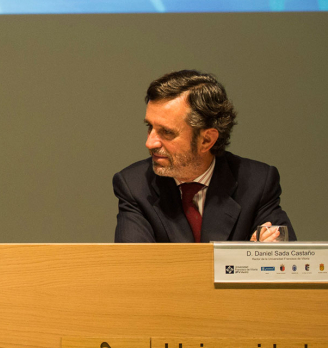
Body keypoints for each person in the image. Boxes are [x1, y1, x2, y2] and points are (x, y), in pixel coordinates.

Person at [113, 70, 295, 243]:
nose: (150, 143)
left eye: (166, 132)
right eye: (150, 127)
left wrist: (260, 257)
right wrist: (245, 256)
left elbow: (283, 260)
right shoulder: (134, 186)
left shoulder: (258, 183)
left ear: (206, 140)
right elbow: (135, 268)